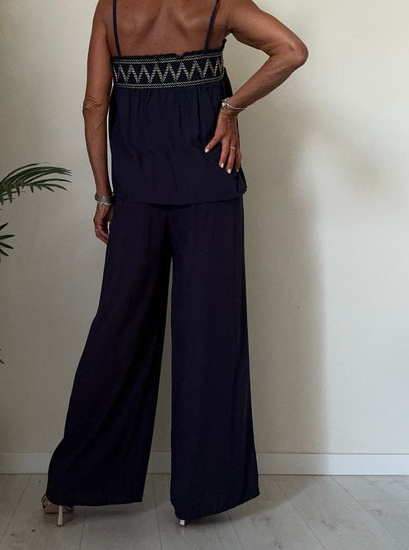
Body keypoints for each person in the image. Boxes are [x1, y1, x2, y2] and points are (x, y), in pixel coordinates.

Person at [42, 0, 308, 526]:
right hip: (209, 189)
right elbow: (291, 51)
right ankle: (202, 496)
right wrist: (230, 108)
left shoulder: (111, 8)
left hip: (136, 194)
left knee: (117, 333)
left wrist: (103, 194)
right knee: (210, 337)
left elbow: (94, 103)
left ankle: (72, 487)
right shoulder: (218, 3)